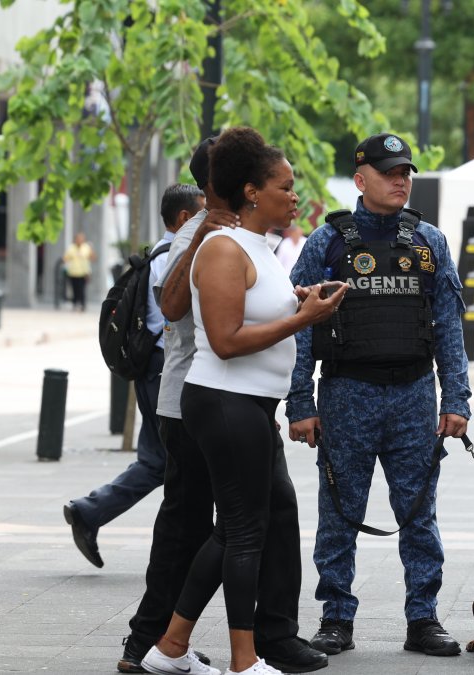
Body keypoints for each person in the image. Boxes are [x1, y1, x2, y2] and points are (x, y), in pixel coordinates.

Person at [141, 127, 344, 675]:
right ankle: (242, 658)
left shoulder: (257, 245)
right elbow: (225, 341)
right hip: (225, 401)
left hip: (250, 404)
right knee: (245, 532)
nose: (295, 195)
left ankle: (171, 647)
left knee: (236, 528)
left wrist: (300, 300)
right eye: (286, 185)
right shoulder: (223, 246)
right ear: (253, 191)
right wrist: (303, 319)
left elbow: (258, 309)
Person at [286, 133, 471, 658]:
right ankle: (335, 618)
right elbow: (299, 326)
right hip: (346, 394)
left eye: (406, 173)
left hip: (414, 394)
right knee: (340, 510)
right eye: (391, 173)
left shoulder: (429, 241)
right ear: (361, 180)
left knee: (419, 512)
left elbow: (448, 325)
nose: (401, 181)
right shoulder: (327, 243)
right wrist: (300, 404)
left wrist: (456, 400)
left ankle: (423, 618)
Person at [64, 185, 193, 568]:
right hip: (163, 369)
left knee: (156, 460)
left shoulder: (157, 252)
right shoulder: (175, 257)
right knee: (180, 461)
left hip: (153, 369)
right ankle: (185, 552)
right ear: (185, 218)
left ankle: (90, 511)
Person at [63, 231, 96, 311]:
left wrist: (92, 251)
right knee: (74, 289)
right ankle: (75, 304)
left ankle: (82, 305)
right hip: (73, 272)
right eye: (78, 238)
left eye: (81, 239)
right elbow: (65, 258)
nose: (79, 240)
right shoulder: (71, 247)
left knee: (82, 289)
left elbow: (93, 258)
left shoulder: (86, 247)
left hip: (83, 273)